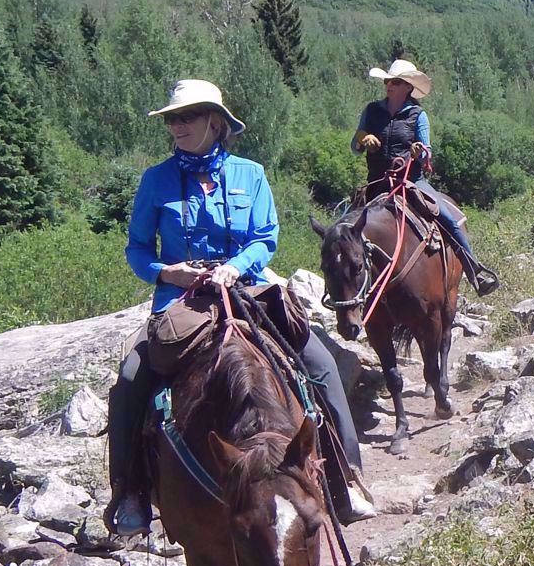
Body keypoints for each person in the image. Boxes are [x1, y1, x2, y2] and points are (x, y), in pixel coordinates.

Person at [106, 79, 375, 538]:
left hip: (248, 289)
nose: (176, 125)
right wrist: (168, 273)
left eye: (185, 117)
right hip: (184, 299)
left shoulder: (250, 173)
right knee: (132, 379)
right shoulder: (155, 180)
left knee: (321, 364)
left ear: (215, 121)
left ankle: (347, 477)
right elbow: (136, 249)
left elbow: (266, 236)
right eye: (172, 118)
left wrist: (235, 267)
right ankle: (129, 492)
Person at [351, 59, 501, 295]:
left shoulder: (418, 115)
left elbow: (427, 151)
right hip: (376, 183)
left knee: (448, 218)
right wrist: (362, 139)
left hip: (411, 181)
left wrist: (420, 152)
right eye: (388, 81)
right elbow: (354, 146)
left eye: (396, 82)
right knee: (342, 228)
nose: (389, 85)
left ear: (408, 87)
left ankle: (475, 271)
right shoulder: (371, 111)